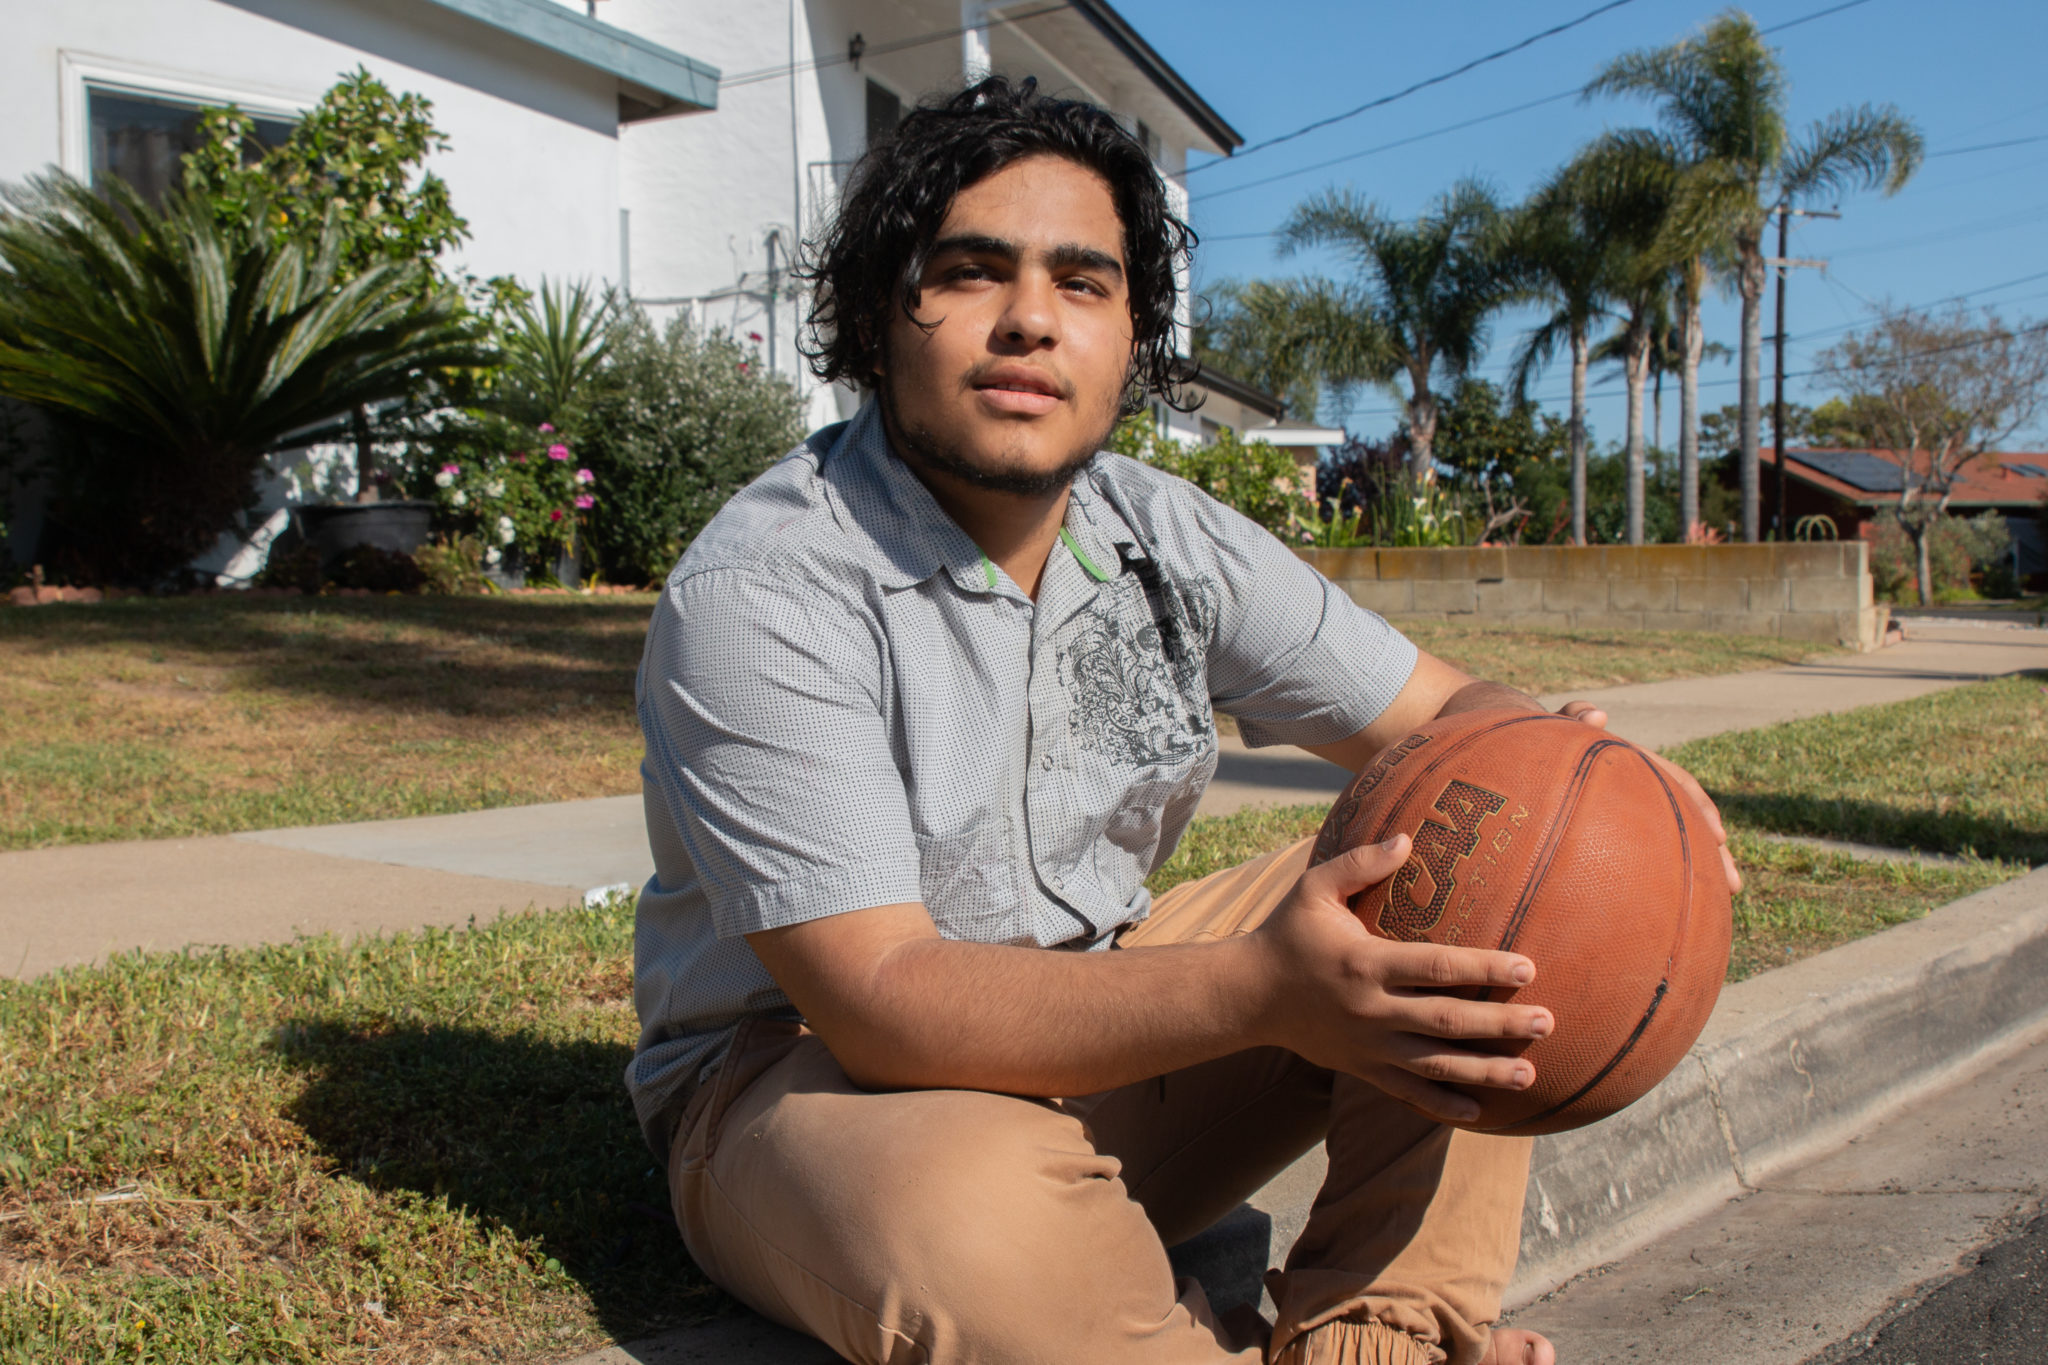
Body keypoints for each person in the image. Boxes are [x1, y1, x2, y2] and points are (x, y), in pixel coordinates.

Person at [627, 77, 1737, 1365]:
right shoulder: (770, 586)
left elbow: (1447, 715)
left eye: (1081, 282)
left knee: (1484, 862)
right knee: (972, 1224)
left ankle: (1377, 1337)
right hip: (813, 1084)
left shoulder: (1161, 532)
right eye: (973, 272)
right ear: (878, 315)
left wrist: (1589, 767)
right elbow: (879, 997)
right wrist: (1266, 991)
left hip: (1109, 1007)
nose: (1030, 319)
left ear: (1132, 335)